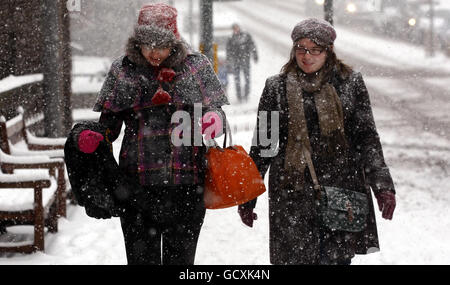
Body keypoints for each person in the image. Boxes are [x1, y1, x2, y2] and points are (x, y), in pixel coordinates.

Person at [74, 3, 228, 265]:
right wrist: (94, 136)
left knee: (181, 263)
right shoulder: (123, 71)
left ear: (175, 42)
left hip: (187, 186)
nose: (154, 52)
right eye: (147, 44)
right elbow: (108, 126)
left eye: (161, 45)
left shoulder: (195, 67)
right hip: (136, 188)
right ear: (137, 42)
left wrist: (214, 119)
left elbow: (216, 113)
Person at [238, 18, 396, 265]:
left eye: (315, 50)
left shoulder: (350, 84)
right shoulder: (276, 87)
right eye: (301, 48)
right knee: (294, 259)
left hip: (341, 189)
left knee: (335, 260)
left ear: (328, 51)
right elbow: (263, 145)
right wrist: (248, 196)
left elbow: (367, 138)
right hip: (292, 194)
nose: (306, 56)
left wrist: (383, 186)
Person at [226, 23, 258, 103]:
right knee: (237, 79)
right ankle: (239, 96)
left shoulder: (246, 36)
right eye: (234, 29)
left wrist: (255, 55)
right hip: (236, 61)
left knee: (246, 78)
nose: (236, 30)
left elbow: (252, 45)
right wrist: (229, 60)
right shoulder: (231, 38)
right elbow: (228, 50)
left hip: (245, 60)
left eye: (236, 28)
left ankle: (246, 95)